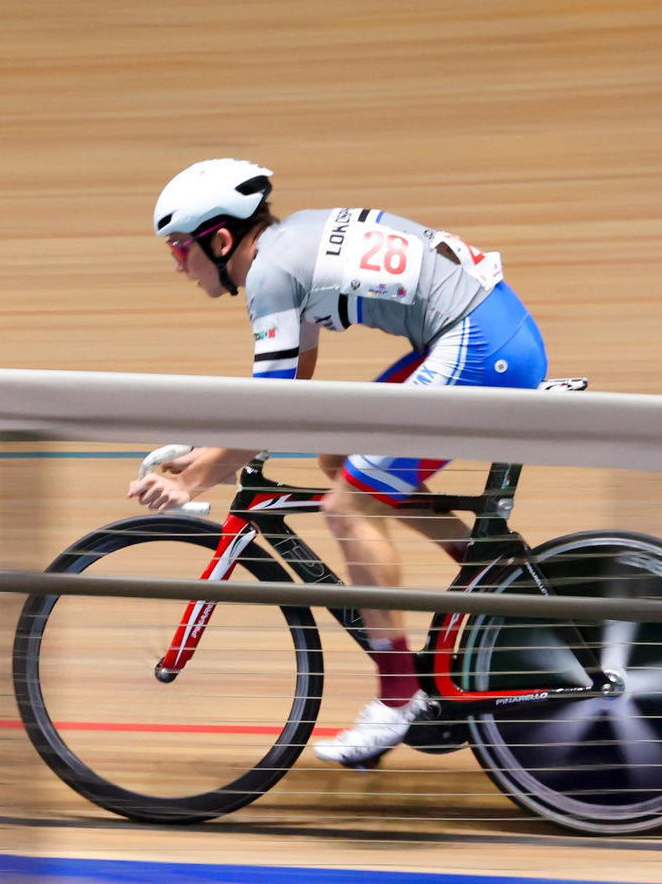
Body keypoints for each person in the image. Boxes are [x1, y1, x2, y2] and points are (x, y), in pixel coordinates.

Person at [129, 159, 549, 767]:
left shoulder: (271, 273)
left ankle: (398, 697)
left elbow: (273, 407)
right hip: (484, 329)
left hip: (481, 345)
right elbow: (295, 384)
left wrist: (194, 479)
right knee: (340, 460)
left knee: (347, 505)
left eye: (179, 250)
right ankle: (487, 572)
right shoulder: (285, 246)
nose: (177, 267)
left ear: (220, 241)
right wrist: (208, 453)